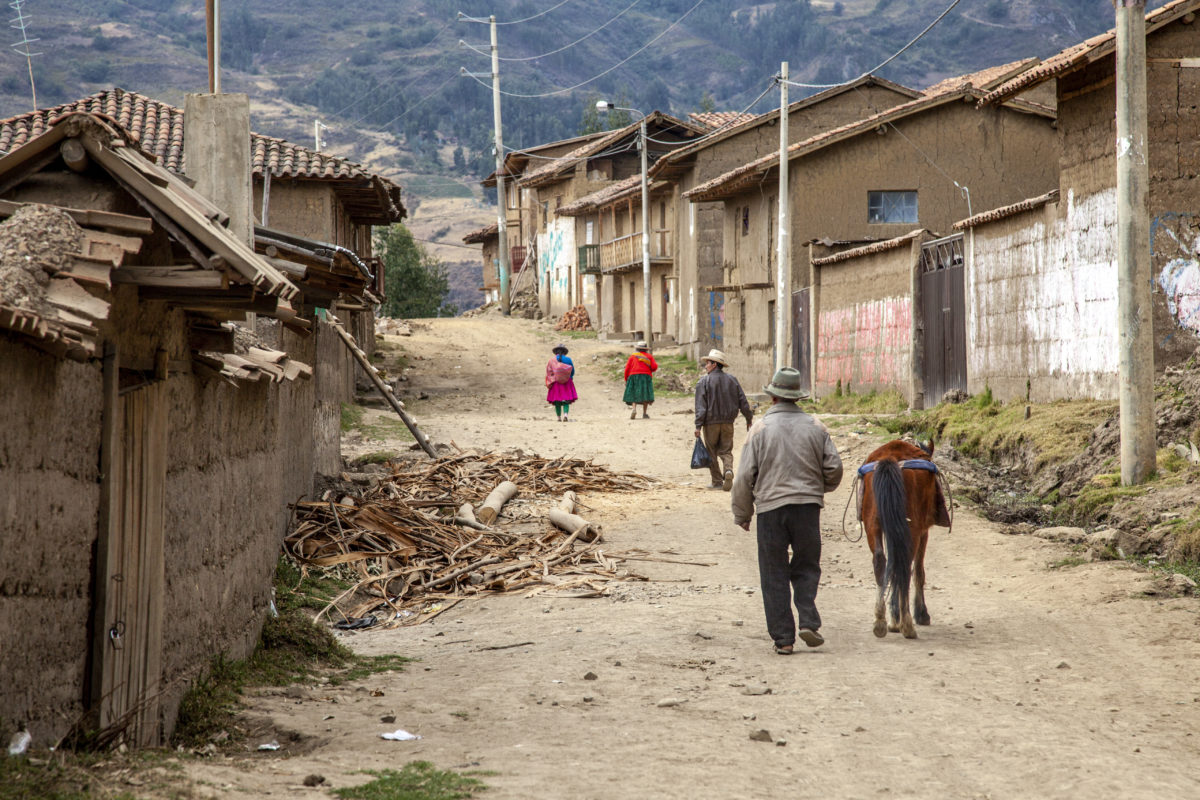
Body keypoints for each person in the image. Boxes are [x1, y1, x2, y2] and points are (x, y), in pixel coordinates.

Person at [731, 367, 842, 655]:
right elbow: (834, 468)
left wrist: (743, 514)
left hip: (770, 511)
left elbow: (743, 477)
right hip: (807, 509)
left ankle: (784, 639)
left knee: (773, 572)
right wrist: (817, 488)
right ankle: (808, 620)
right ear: (797, 398)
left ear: (772, 397)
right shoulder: (816, 426)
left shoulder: (759, 429)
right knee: (807, 565)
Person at [693, 349, 753, 491]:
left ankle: (717, 481)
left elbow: (701, 407)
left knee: (711, 451)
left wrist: (698, 426)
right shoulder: (732, 380)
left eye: (707, 363)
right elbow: (743, 401)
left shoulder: (704, 382)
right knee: (726, 450)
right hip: (728, 423)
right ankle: (728, 470)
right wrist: (748, 418)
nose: (706, 366)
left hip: (710, 423)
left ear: (714, 364)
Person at [622, 340, 657, 419]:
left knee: (634, 393)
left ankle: (634, 409)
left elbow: (627, 369)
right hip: (645, 376)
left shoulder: (632, 356)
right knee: (645, 394)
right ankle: (644, 413)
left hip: (633, 376)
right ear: (645, 349)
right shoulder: (649, 356)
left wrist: (626, 379)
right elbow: (654, 367)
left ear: (637, 349)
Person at [545, 343, 577, 422]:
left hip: (555, 383)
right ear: (564, 352)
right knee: (566, 399)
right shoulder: (568, 360)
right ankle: (565, 415)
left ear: (555, 352)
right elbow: (572, 371)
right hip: (567, 382)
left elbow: (548, 372)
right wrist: (569, 377)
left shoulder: (551, 360)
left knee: (557, 400)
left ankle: (559, 418)